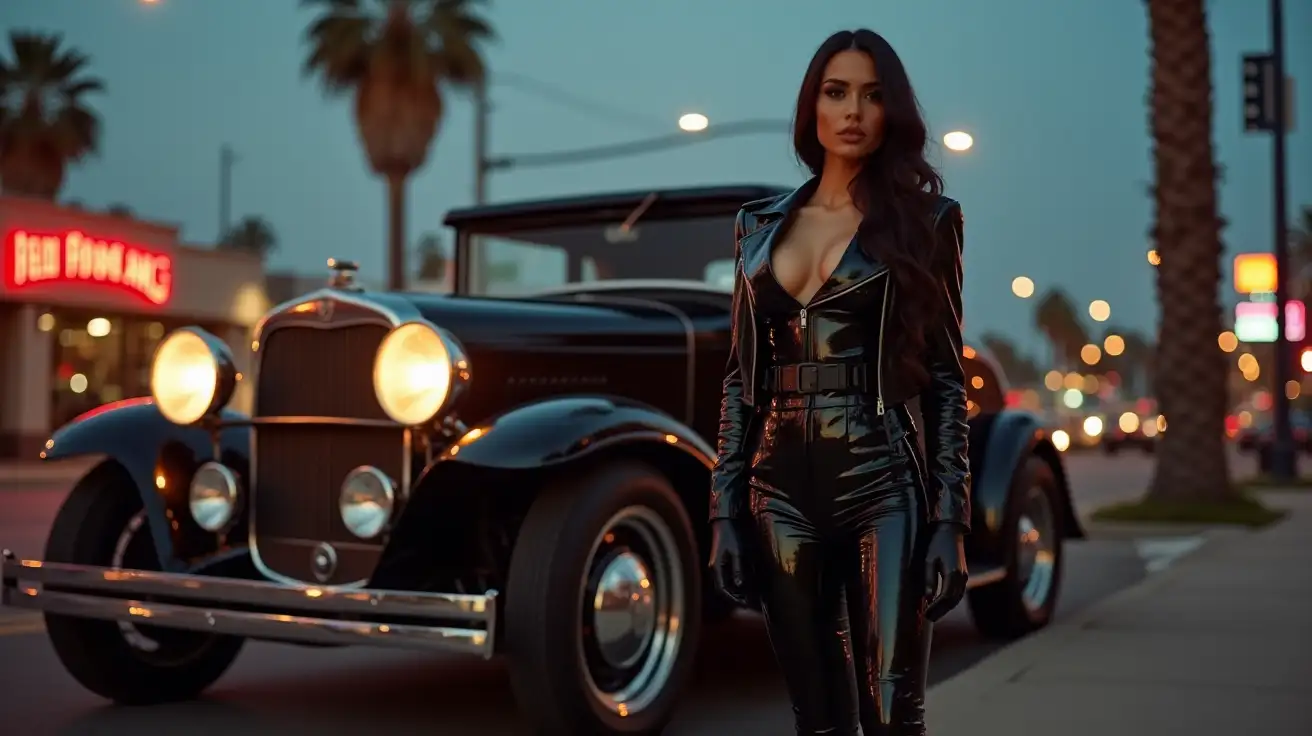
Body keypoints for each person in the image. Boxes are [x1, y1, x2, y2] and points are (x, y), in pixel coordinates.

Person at [706, 28, 971, 735]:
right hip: (776, 491)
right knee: (816, 717)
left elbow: (946, 379)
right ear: (812, 108)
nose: (853, 110)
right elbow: (741, 379)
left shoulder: (927, 222)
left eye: (873, 95)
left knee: (890, 712)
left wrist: (951, 519)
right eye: (836, 92)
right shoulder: (757, 227)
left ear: (892, 114)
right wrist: (724, 510)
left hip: (881, 479)